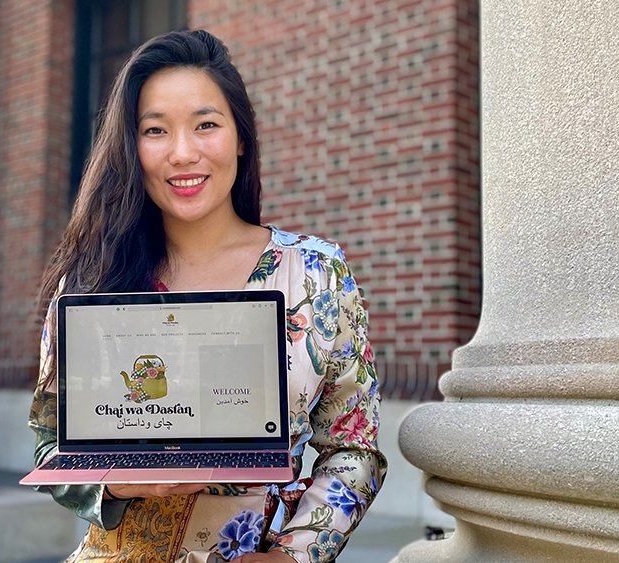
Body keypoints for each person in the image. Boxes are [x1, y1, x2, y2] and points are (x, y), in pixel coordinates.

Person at [29, 29, 386, 563]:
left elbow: (353, 447)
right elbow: (48, 444)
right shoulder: (92, 279)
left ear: (240, 136)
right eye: (155, 130)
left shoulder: (315, 275)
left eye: (206, 125)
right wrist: (116, 485)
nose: (182, 152)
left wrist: (295, 555)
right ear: (132, 146)